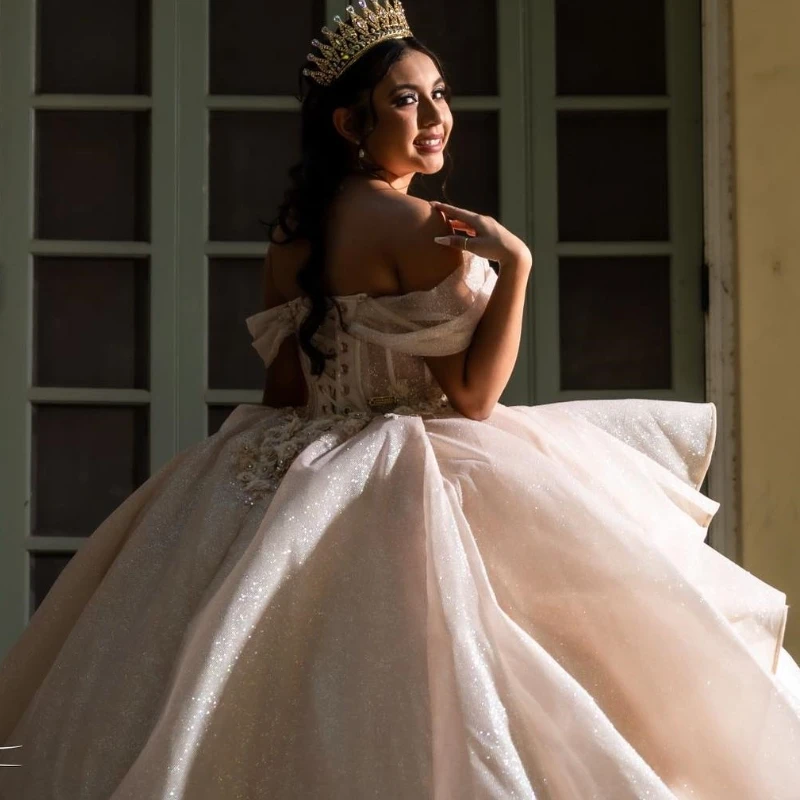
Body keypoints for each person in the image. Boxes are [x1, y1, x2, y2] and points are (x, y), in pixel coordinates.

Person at [2, 1, 799, 797]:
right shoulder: (421, 227)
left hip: (292, 461)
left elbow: (284, 392)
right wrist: (515, 265)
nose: (435, 118)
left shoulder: (292, 237)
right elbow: (476, 396)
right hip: (415, 463)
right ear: (352, 122)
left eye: (439, 94)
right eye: (406, 100)